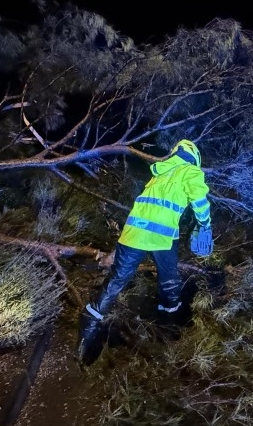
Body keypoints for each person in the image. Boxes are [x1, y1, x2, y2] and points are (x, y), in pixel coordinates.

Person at [76, 139, 212, 362]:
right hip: (161, 238)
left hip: (133, 234)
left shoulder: (159, 173)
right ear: (194, 158)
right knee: (169, 281)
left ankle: (88, 326)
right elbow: (200, 201)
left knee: (117, 279)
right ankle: (168, 324)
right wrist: (205, 224)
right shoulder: (190, 171)